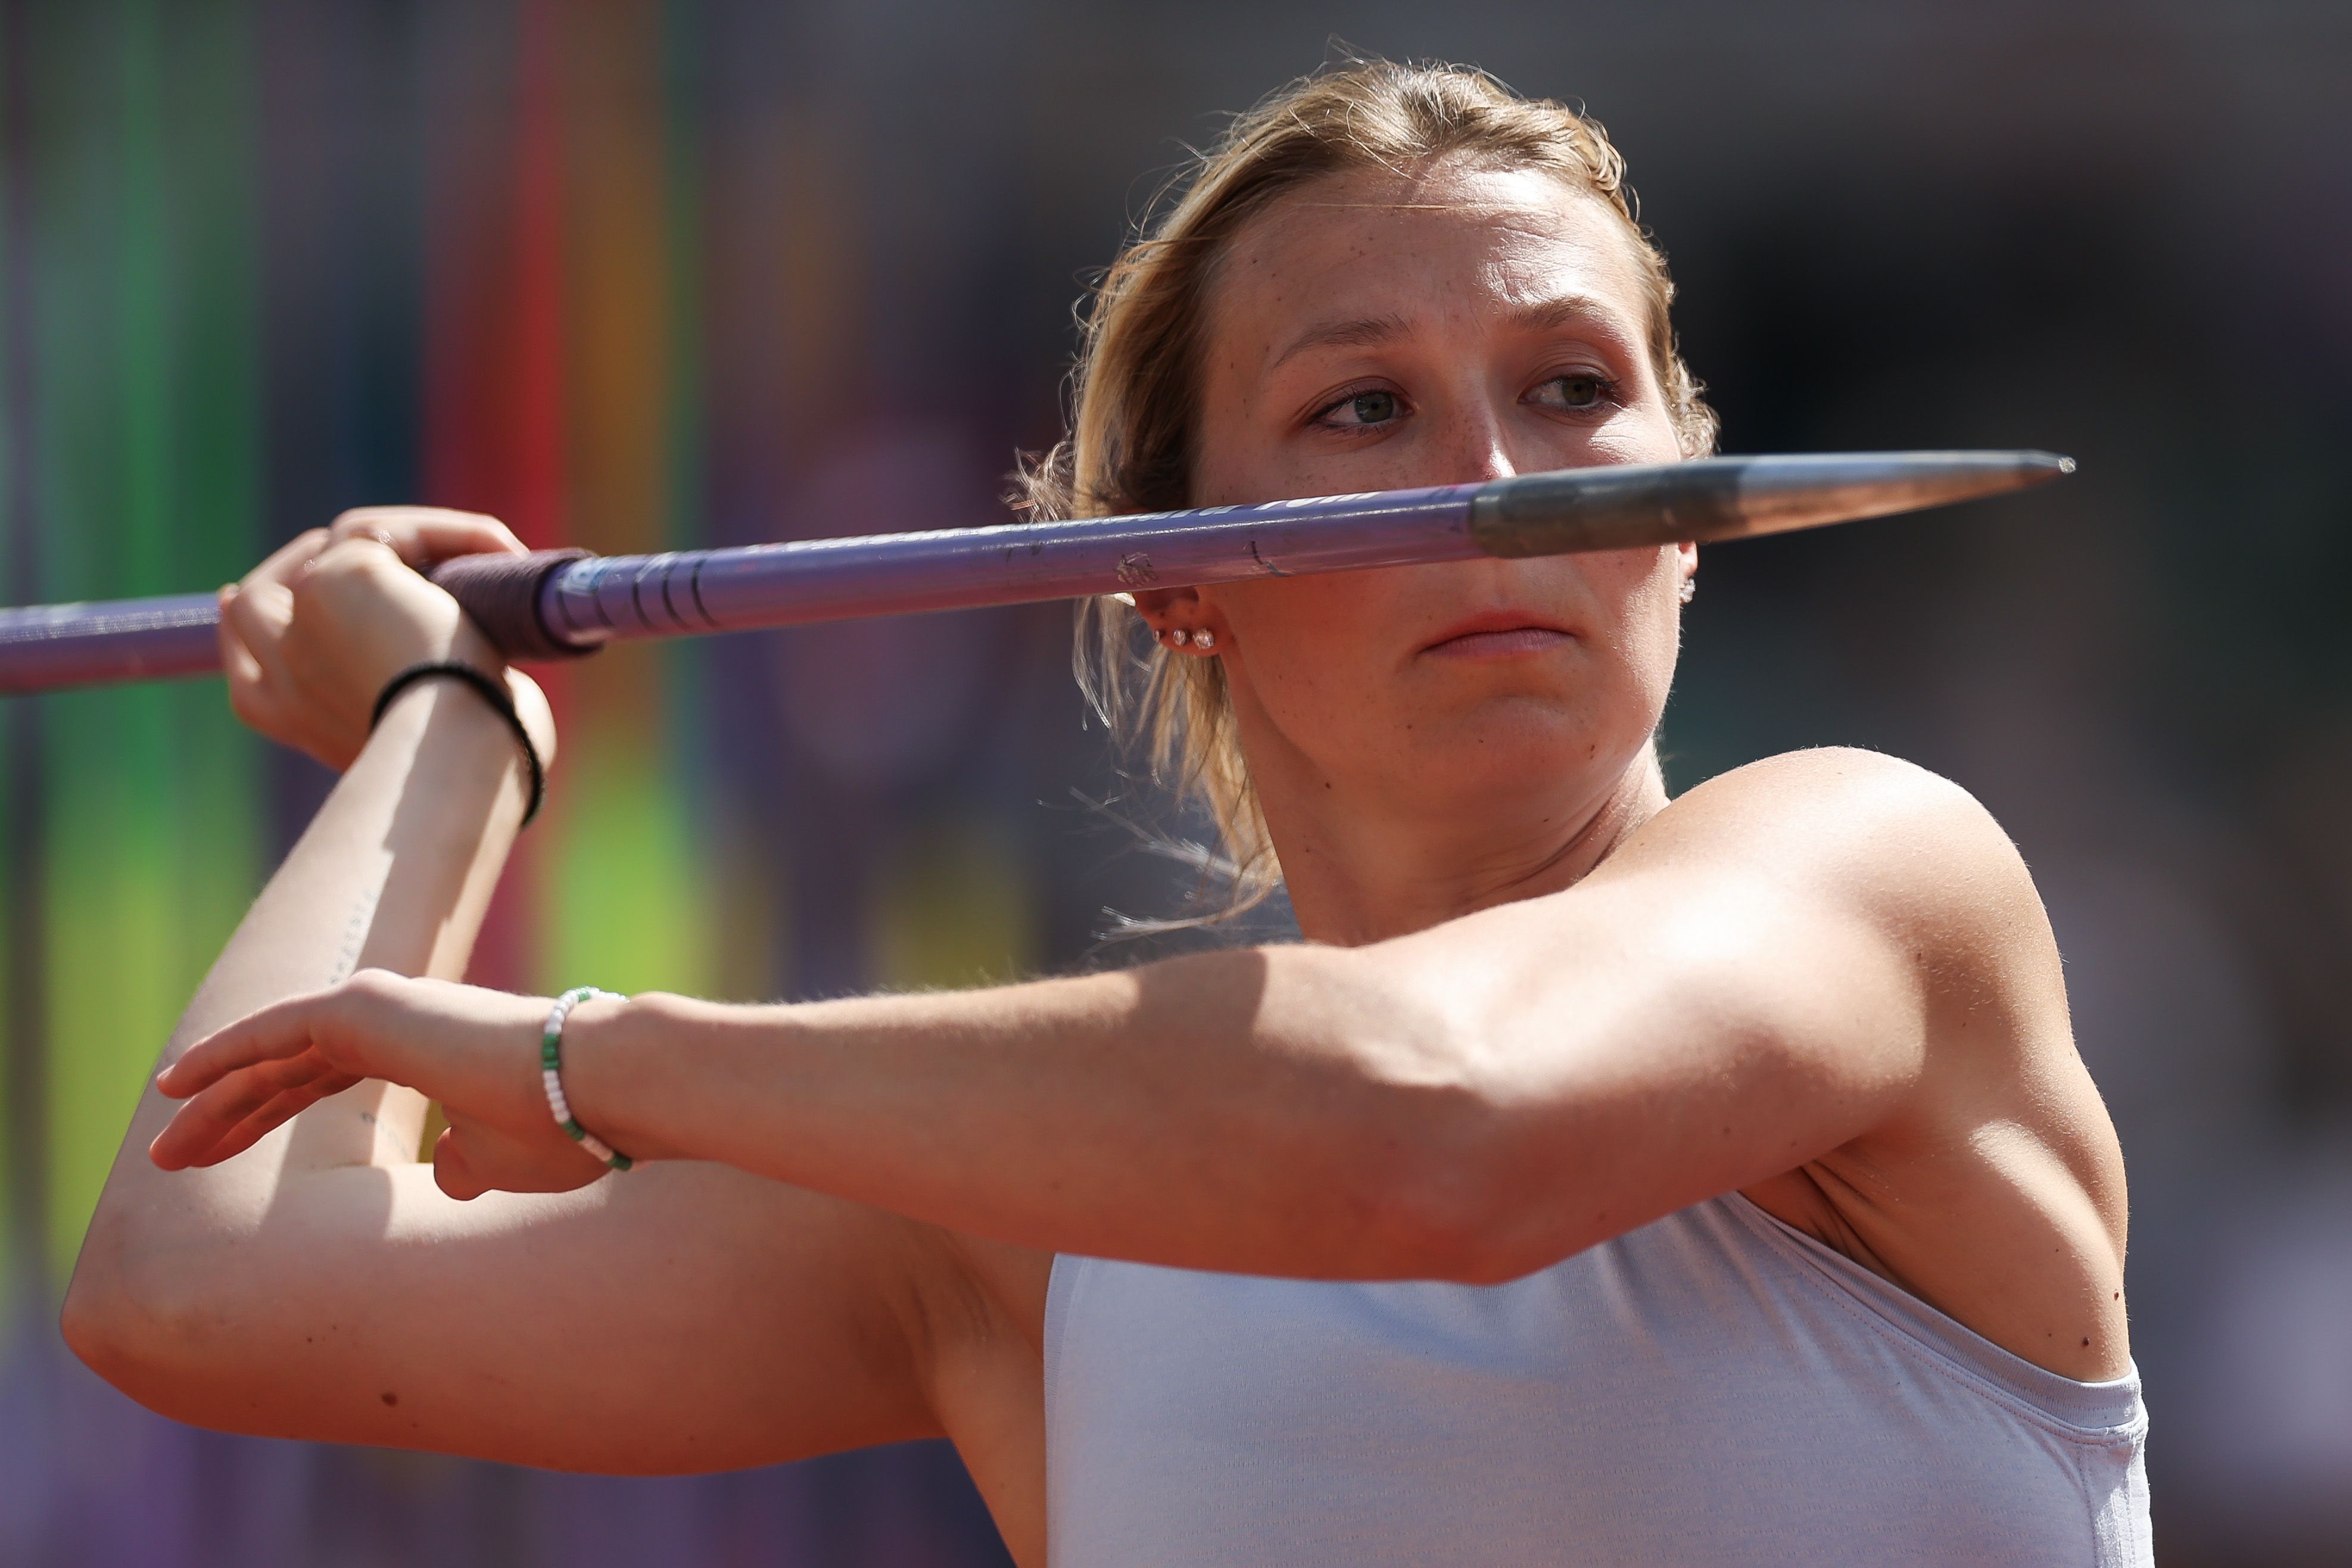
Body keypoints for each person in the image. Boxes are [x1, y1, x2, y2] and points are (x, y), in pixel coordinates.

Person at [61, 60, 2150, 1567]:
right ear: (1175, 573)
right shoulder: (1018, 1215)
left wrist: (600, 1059)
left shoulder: (1880, 872)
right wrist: (446, 723)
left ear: (1689, 520)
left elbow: (1431, 1124)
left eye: (1577, 389)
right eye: (1365, 410)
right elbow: (201, 1279)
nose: (1509, 490)